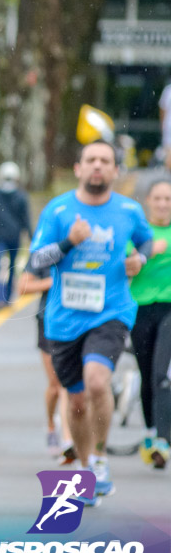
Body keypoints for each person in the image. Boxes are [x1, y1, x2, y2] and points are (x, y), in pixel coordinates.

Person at [29, 140, 155, 504]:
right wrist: (69, 242)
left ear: (116, 171)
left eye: (105, 161)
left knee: (97, 382)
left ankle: (99, 457)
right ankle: (85, 468)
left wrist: (140, 261)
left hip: (111, 311)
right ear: (79, 168)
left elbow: (145, 243)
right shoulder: (59, 210)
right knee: (78, 400)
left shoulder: (129, 211)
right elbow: (37, 260)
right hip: (64, 318)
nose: (98, 166)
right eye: (91, 160)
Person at [129, 177, 171, 468]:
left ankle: (163, 439)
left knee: (162, 374)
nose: (163, 204)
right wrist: (143, 255)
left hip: (169, 309)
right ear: (148, 202)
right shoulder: (137, 234)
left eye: (168, 199)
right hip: (140, 309)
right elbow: (123, 268)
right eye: (158, 198)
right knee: (146, 375)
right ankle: (149, 432)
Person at [18, 266, 75, 462]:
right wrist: (53, 283)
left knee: (68, 385)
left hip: (79, 320)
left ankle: (68, 441)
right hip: (49, 321)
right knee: (55, 385)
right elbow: (23, 286)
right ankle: (51, 425)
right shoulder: (46, 251)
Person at [0, 162, 33, 304]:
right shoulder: (21, 196)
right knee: (11, 267)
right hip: (13, 236)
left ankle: (0, 296)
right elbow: (26, 219)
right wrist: (30, 236)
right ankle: (8, 296)